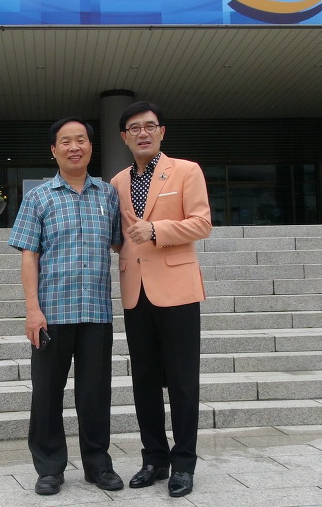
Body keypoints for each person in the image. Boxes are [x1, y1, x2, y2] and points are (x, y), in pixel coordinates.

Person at [7, 117, 124, 496]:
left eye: (81, 140)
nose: (75, 147)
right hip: (51, 315)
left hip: (96, 314)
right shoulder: (39, 197)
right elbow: (29, 256)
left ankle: (98, 465)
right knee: (46, 393)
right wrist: (32, 309)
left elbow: (121, 244)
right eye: (66, 141)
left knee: (95, 394)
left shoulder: (108, 195)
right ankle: (49, 468)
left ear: (90, 146)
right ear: (54, 150)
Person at [110, 101, 212, 498]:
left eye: (149, 126)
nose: (143, 133)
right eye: (134, 128)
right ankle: (154, 458)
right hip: (135, 291)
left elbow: (202, 222)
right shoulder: (117, 182)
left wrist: (156, 230)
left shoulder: (186, 170)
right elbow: (118, 235)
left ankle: (183, 463)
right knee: (145, 381)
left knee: (183, 381)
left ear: (162, 132)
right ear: (124, 137)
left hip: (177, 289)